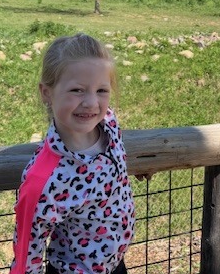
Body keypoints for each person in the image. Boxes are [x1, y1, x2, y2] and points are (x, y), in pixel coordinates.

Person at [10, 33, 135, 274]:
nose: (91, 102)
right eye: (77, 90)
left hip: (116, 264)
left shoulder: (109, 124)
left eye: (101, 90)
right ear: (47, 92)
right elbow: (28, 253)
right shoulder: (44, 178)